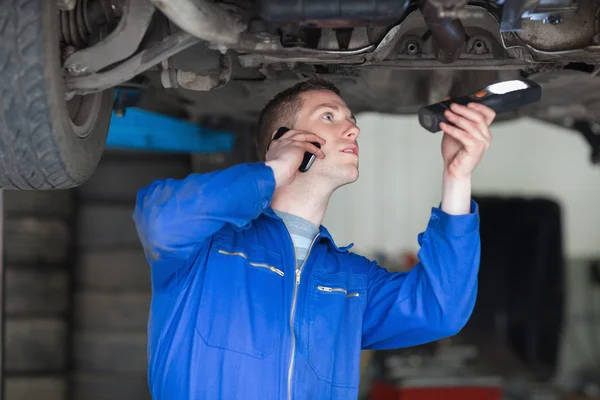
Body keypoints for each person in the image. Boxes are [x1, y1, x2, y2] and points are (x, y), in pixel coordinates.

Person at [133, 78, 496, 400]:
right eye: (329, 117)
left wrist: (457, 177)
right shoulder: (210, 247)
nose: (353, 130)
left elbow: (440, 310)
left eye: (352, 121)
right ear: (283, 140)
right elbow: (161, 220)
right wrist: (273, 170)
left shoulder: (353, 283)